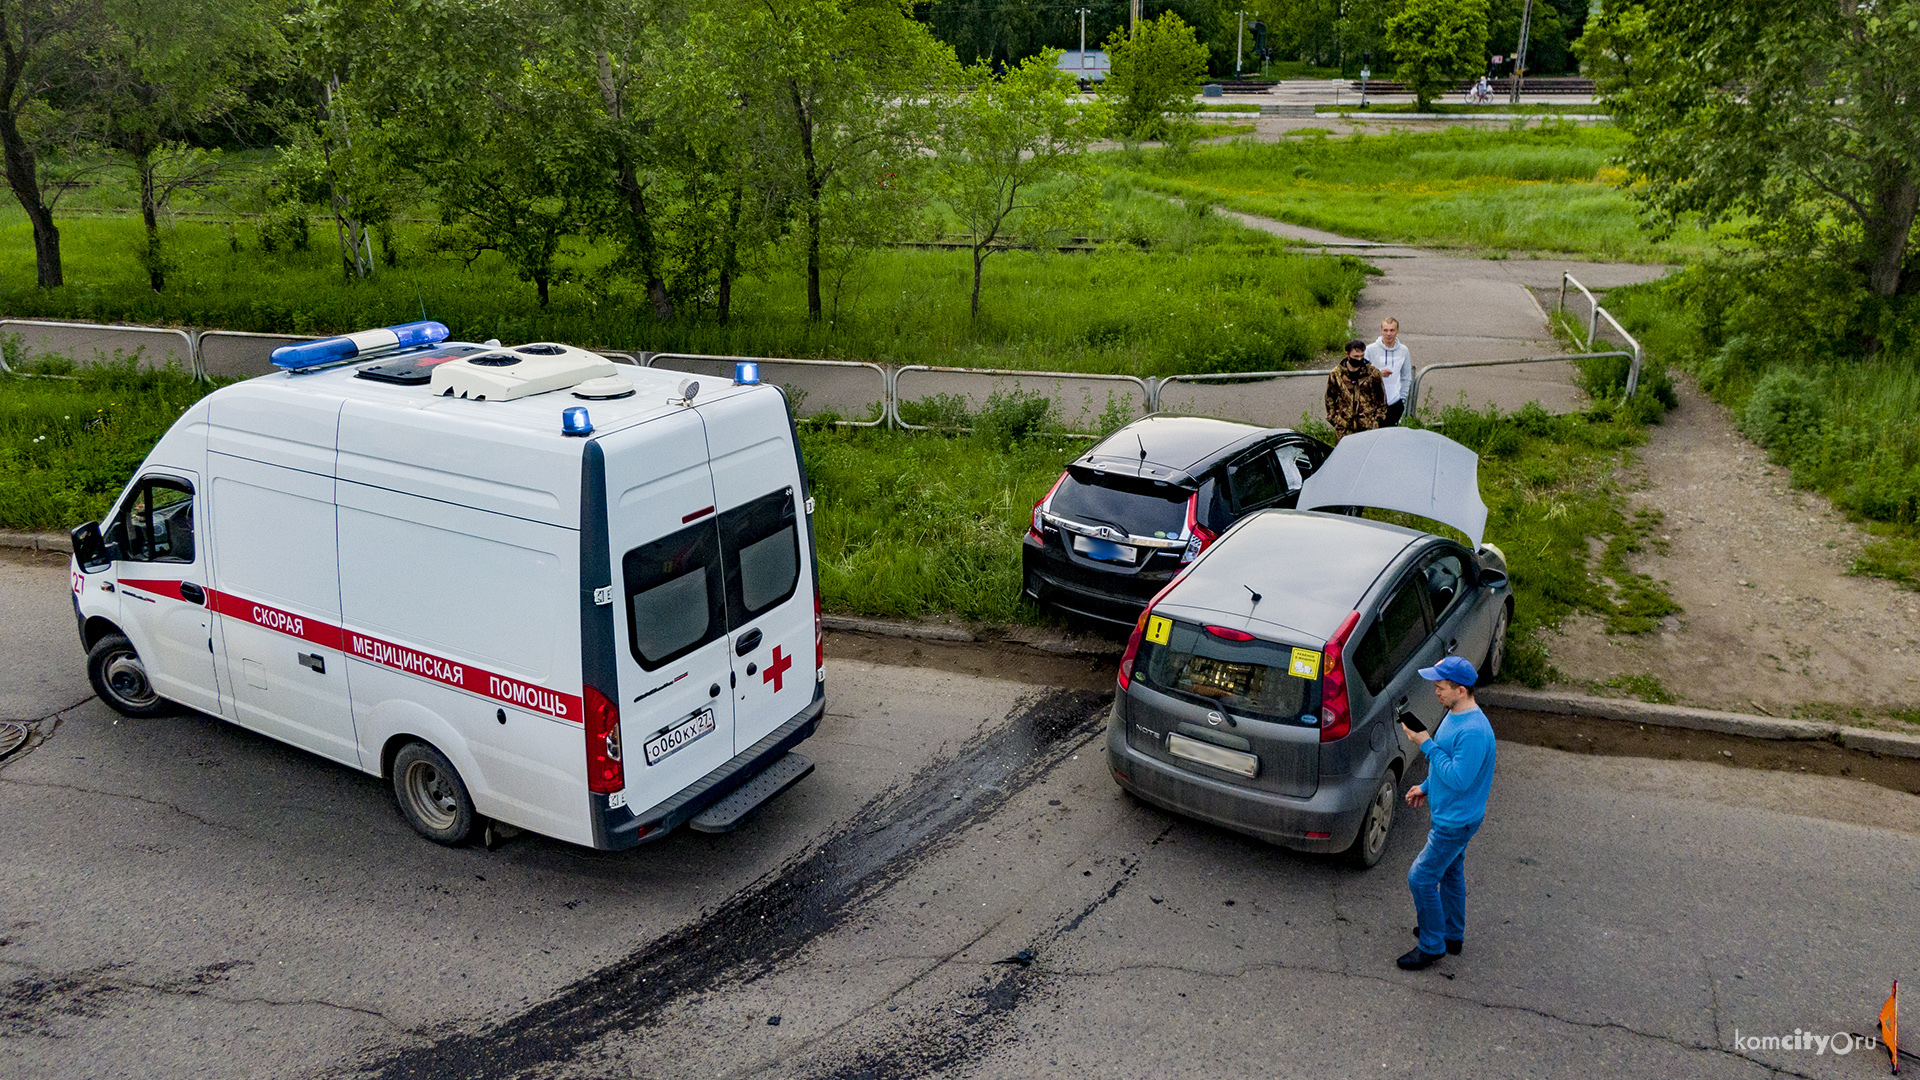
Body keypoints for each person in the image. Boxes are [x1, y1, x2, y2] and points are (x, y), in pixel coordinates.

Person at [1396, 655, 1497, 971]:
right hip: (1454, 816)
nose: (1436, 692)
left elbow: (1458, 778)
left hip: (1455, 822)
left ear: (1462, 689)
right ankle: (1451, 934)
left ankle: (1432, 944)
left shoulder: (1474, 731)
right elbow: (1448, 763)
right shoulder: (1455, 714)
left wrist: (1425, 743)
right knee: (1451, 872)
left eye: (1441, 688)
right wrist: (1425, 786)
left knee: (1421, 878)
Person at [1325, 338, 1387, 439]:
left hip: (1368, 427)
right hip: (1344, 428)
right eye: (1355, 356)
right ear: (1347, 355)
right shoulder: (1336, 374)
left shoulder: (1372, 373)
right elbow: (1330, 398)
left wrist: (1376, 420)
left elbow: (1381, 398)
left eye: (1361, 356)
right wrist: (1335, 420)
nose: (1359, 359)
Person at [1365, 318, 1412, 426]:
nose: (1388, 334)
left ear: (1397, 331)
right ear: (1381, 330)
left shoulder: (1403, 350)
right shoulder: (1370, 350)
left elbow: (1406, 376)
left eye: (1392, 330)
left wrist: (1402, 399)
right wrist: (1378, 374)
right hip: (1374, 404)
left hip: (1395, 402)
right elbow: (1362, 375)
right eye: (1385, 330)